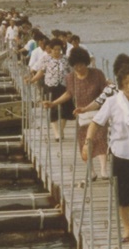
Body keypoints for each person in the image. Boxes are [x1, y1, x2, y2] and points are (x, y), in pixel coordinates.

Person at [87, 65, 129, 243]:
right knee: (122, 197)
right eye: (126, 83)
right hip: (121, 155)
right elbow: (96, 122)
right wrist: (88, 141)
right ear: (121, 85)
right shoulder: (112, 102)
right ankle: (126, 228)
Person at [46, 47, 108, 180]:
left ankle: (103, 169)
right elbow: (69, 93)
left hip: (98, 112)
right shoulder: (70, 77)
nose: (78, 68)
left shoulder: (97, 74)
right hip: (81, 113)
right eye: (75, 66)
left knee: (101, 138)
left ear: (86, 62)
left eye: (81, 65)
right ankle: (91, 171)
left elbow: (105, 92)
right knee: (85, 141)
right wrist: (53, 103)